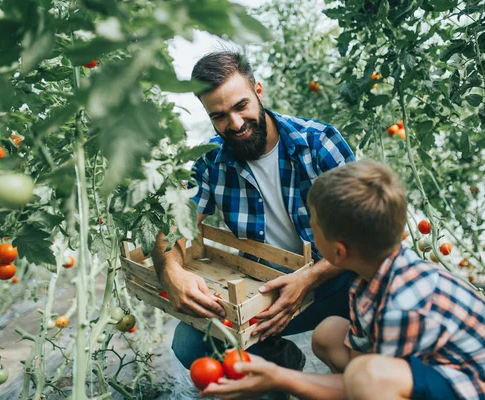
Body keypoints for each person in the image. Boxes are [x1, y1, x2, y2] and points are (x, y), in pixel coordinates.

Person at [202, 160, 485, 400]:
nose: (310, 230)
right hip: (443, 374)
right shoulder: (369, 282)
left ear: (338, 252)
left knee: (370, 378)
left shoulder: (403, 302)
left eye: (313, 225)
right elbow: (360, 368)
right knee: (330, 332)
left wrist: (279, 378)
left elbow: (366, 380)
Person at [150, 51, 356, 380]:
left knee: (365, 349)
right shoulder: (209, 161)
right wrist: (170, 270)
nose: (234, 124)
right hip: (264, 290)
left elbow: (362, 235)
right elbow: (173, 225)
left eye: (241, 106)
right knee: (191, 346)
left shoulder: (318, 144)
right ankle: (280, 366)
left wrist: (307, 279)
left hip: (338, 280)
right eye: (219, 116)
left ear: (258, 91)